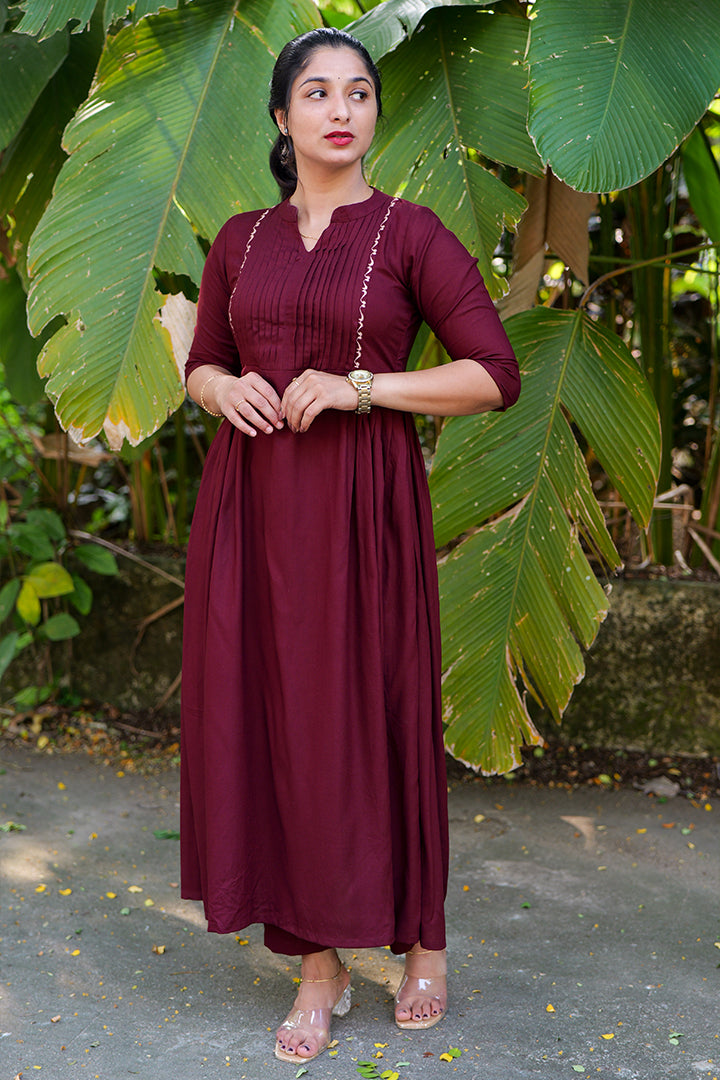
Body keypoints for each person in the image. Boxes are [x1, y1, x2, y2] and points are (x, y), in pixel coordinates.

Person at [180, 26, 520, 1065]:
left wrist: (363, 386)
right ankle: (317, 968)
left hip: (363, 514)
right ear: (282, 117)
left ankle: (423, 944)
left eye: (360, 92)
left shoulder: (410, 234)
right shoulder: (239, 240)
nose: (341, 109)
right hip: (250, 513)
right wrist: (222, 388)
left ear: (376, 113)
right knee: (271, 723)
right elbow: (203, 363)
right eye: (319, 92)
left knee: (379, 715)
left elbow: (492, 373)